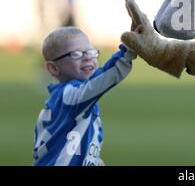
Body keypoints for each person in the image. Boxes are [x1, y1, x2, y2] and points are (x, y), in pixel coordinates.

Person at [33, 26, 137, 166]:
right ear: (54, 68)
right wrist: (129, 49)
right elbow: (106, 77)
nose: (88, 57)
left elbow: (63, 144)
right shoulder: (71, 96)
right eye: (76, 54)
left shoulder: (61, 99)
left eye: (90, 52)